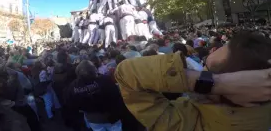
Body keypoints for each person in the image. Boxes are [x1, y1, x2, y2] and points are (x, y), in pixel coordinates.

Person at [115, 32, 271, 131]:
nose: (199, 72)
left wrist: (217, 83)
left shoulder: (185, 123)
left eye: (206, 69)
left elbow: (125, 75)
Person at [64, 60, 123, 131]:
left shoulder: (73, 86)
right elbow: (117, 96)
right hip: (110, 116)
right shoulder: (105, 79)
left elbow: (70, 103)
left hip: (94, 119)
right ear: (94, 69)